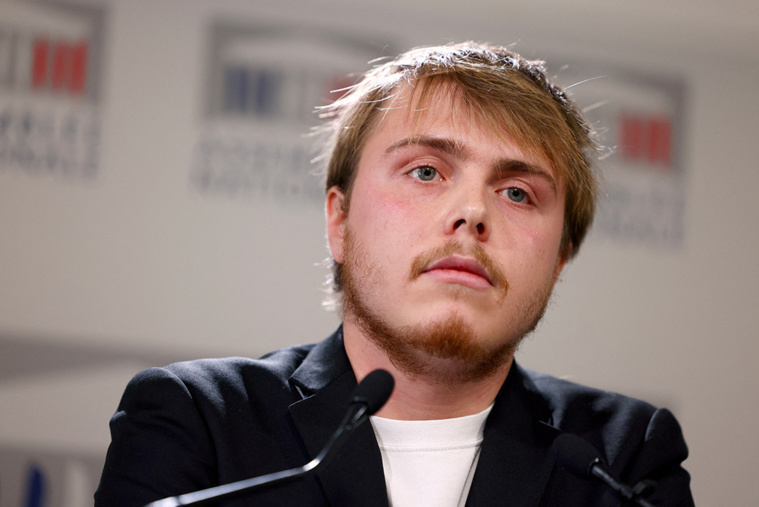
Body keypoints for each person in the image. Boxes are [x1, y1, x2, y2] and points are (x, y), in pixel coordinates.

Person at [95, 42, 693, 506]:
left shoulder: (622, 457)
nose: (472, 212)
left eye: (516, 192)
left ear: (560, 258)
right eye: (426, 172)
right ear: (340, 219)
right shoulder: (199, 419)